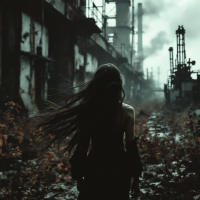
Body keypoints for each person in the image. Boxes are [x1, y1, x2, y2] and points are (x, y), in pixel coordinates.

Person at [32, 63, 143, 200]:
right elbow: (131, 148)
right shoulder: (128, 111)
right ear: (118, 83)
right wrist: (136, 179)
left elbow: (83, 145)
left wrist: (78, 176)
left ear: (97, 83)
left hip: (95, 166)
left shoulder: (88, 110)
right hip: (119, 167)